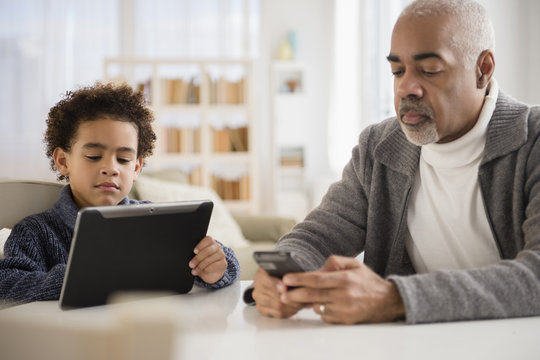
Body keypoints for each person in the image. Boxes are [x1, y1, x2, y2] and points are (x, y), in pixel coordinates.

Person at [249, 0, 540, 324]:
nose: (405, 88)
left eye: (429, 70)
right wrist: (284, 273)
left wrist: (395, 298)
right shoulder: (379, 147)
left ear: (482, 69)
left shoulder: (534, 142)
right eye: (397, 70)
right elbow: (316, 237)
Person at [0, 82, 240, 306]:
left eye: (124, 159)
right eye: (94, 156)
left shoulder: (154, 222)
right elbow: (7, 284)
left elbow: (227, 265)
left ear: (136, 168)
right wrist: (78, 275)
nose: (111, 168)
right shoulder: (35, 232)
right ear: (63, 161)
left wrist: (216, 267)